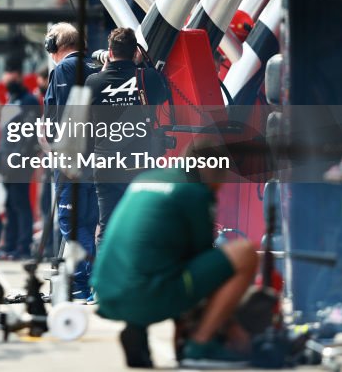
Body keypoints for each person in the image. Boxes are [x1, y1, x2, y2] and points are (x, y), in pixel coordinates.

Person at [92, 140, 259, 368]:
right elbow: (200, 265)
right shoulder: (195, 192)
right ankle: (199, 344)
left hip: (107, 292)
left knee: (155, 257)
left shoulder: (145, 179)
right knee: (244, 253)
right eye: (222, 177)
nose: (220, 186)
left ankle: (137, 329)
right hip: (146, 296)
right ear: (210, 168)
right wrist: (230, 325)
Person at [85, 28, 169, 245]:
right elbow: (163, 94)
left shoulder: (93, 82)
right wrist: (141, 65)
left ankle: (105, 277)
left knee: (107, 225)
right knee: (142, 223)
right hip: (139, 165)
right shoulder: (148, 78)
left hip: (106, 165)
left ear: (110, 52)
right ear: (135, 53)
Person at [42, 22, 100, 300]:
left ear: (55, 45)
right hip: (95, 159)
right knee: (87, 222)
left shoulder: (64, 69)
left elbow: (63, 116)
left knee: (72, 222)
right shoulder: (94, 68)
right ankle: (86, 283)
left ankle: (89, 282)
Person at [0, 67, 39, 260]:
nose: (7, 79)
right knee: (10, 204)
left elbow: (29, 135)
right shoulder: (11, 99)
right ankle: (9, 245)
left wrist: (17, 159)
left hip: (19, 161)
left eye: (10, 76)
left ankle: (23, 247)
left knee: (20, 203)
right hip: (6, 160)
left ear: (18, 77)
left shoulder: (29, 101)